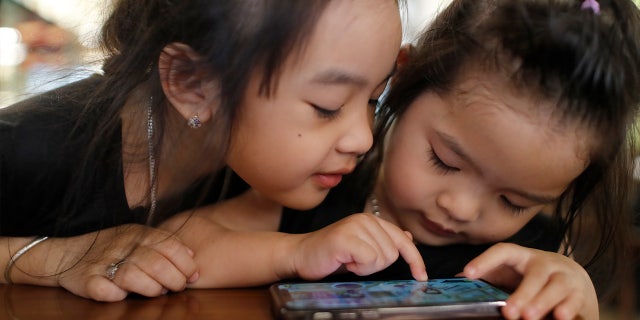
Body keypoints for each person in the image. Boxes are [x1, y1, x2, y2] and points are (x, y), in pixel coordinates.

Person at [162, 0, 640, 319]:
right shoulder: (320, 195)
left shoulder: (536, 257)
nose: (461, 208)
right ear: (403, 82)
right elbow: (181, 243)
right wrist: (296, 252)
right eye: (445, 160)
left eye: (515, 201)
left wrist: (575, 290)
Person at [0, 0, 428, 302]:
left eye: (374, 99)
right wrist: (50, 257)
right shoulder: (31, 146)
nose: (363, 138)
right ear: (193, 84)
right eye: (327, 106)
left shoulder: (263, 169)